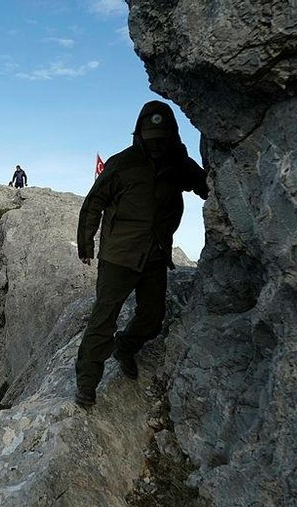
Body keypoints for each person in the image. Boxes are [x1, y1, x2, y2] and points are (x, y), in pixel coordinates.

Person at [74, 100, 209, 407]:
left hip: (155, 255)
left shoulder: (178, 163)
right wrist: (86, 244)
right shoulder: (122, 164)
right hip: (118, 256)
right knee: (103, 319)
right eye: (152, 141)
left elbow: (205, 185)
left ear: (172, 136)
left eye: (163, 140)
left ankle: (125, 347)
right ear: (139, 137)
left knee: (153, 317)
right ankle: (86, 383)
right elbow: (94, 203)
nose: (158, 147)